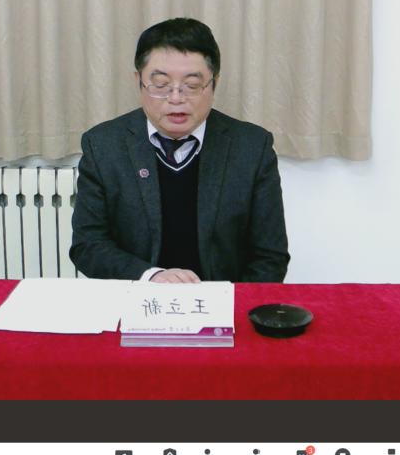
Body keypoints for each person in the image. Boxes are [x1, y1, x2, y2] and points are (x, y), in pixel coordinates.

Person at [70, 17, 290, 283]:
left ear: (214, 83)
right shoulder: (103, 145)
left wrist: (230, 302)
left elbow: (270, 256)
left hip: (223, 300)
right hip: (136, 296)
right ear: (138, 81)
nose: (176, 98)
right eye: (161, 85)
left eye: (192, 85)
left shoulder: (252, 147)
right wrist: (151, 277)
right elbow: (88, 245)